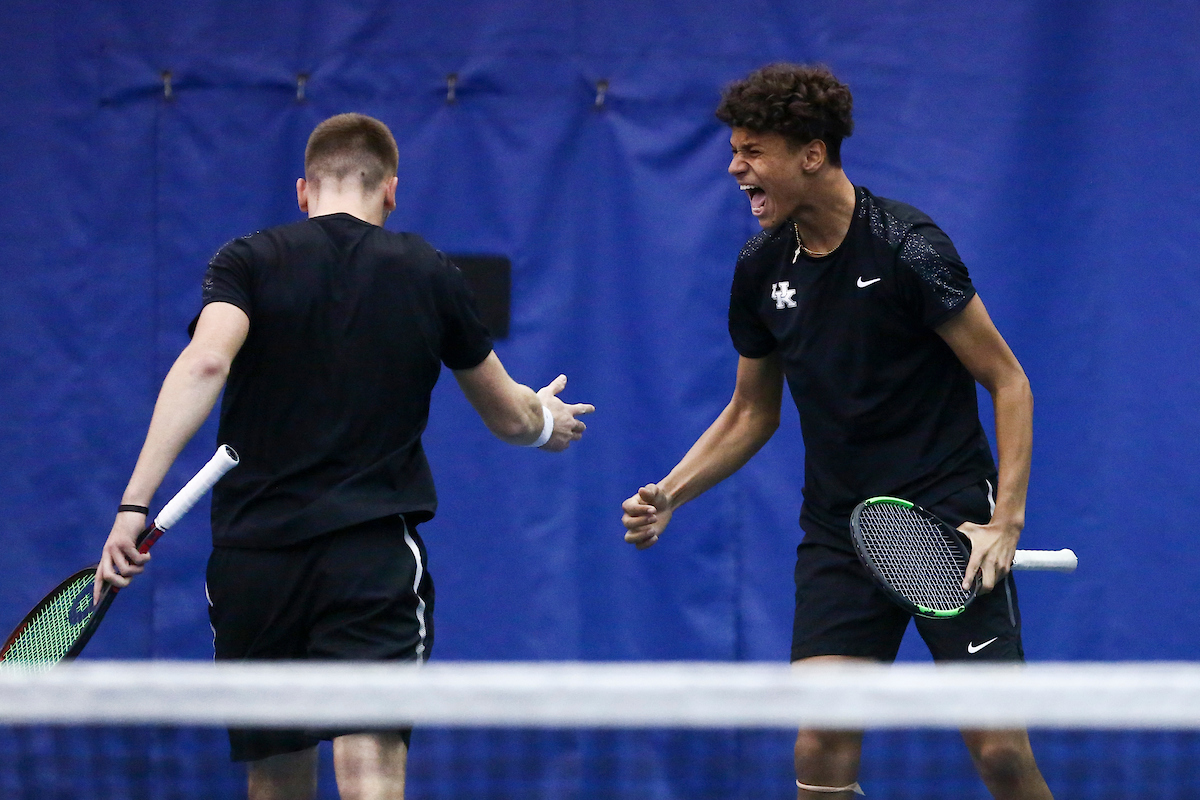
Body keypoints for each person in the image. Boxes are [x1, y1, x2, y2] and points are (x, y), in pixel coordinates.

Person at [95, 112, 594, 800]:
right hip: (370, 556)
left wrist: (133, 505)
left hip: (254, 560)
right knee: (369, 769)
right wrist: (547, 422)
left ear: (303, 191)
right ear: (391, 190)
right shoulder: (429, 271)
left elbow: (206, 361)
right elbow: (509, 414)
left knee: (275, 776)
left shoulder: (246, 260)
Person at [620, 64, 1052, 799]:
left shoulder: (910, 249)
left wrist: (1004, 519)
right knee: (819, 741)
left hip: (949, 520)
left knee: (1001, 753)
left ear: (811, 154)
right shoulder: (760, 269)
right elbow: (751, 413)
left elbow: (1008, 380)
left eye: (752, 151)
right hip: (839, 528)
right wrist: (671, 495)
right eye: (735, 150)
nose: (734, 167)